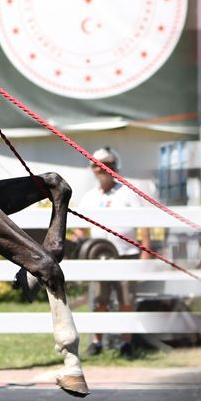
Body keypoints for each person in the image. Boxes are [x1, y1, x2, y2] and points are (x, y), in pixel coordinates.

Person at [74, 147, 148, 359]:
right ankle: (96, 342)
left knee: (126, 300)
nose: (101, 168)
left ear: (115, 167)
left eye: (106, 164)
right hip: (99, 256)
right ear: (92, 169)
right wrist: (75, 245)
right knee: (100, 300)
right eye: (97, 165)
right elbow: (81, 229)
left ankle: (126, 344)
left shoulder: (128, 193)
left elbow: (144, 226)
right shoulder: (89, 197)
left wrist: (145, 254)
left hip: (126, 254)